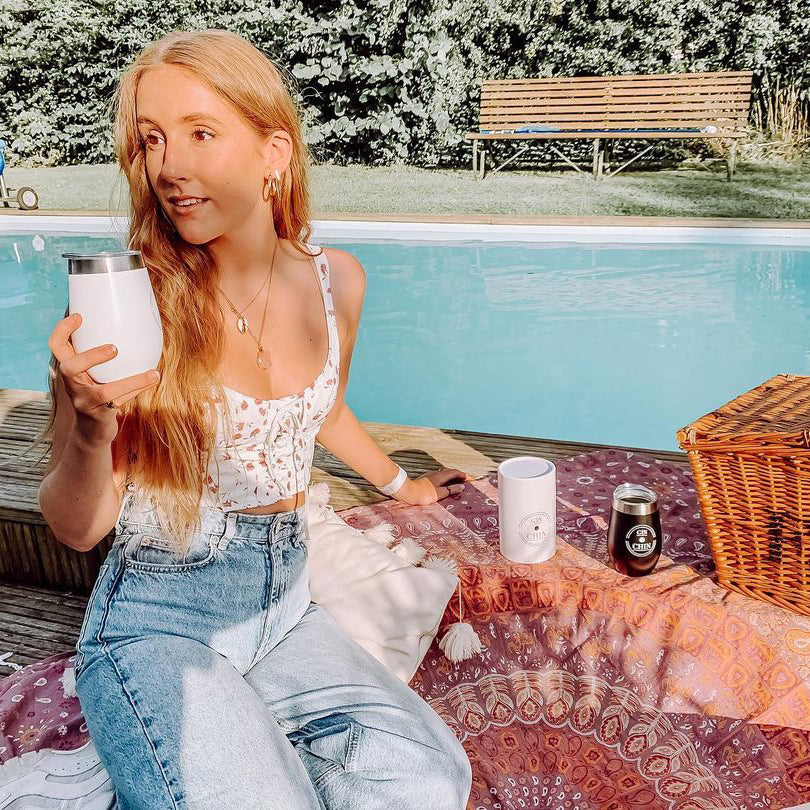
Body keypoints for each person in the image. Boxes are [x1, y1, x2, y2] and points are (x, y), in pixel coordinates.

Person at [36, 28, 473, 810]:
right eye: (152, 142)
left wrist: (402, 484)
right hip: (160, 617)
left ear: (274, 151)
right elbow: (77, 529)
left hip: (287, 605)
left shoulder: (336, 282)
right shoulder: (131, 308)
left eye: (201, 134)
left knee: (430, 778)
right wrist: (93, 426)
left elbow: (324, 408)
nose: (170, 168)